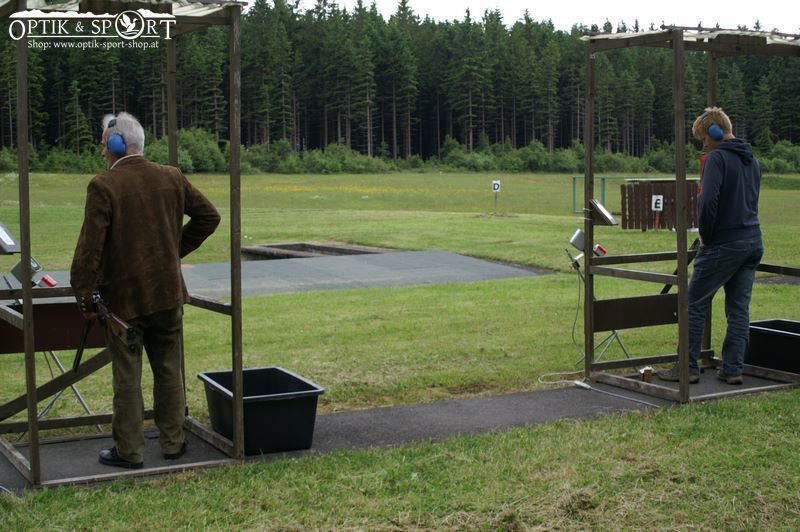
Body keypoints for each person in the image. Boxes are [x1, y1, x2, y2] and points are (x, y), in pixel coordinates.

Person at [71, 112, 220, 469]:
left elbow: (89, 251)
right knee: (169, 371)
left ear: (118, 145)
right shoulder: (171, 176)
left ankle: (130, 451)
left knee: (127, 378)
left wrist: (84, 296)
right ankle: (172, 443)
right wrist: (172, 252)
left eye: (105, 144)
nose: (103, 151)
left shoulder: (103, 185)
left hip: (126, 303)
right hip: (168, 296)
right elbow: (208, 217)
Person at [658, 107, 763, 385]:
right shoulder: (752, 160)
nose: (703, 143)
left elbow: (707, 203)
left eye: (703, 137)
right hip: (752, 241)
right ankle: (733, 369)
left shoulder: (717, 158)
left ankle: (687, 368)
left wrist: (706, 235)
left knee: (693, 304)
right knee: (739, 309)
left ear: (715, 133)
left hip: (723, 243)